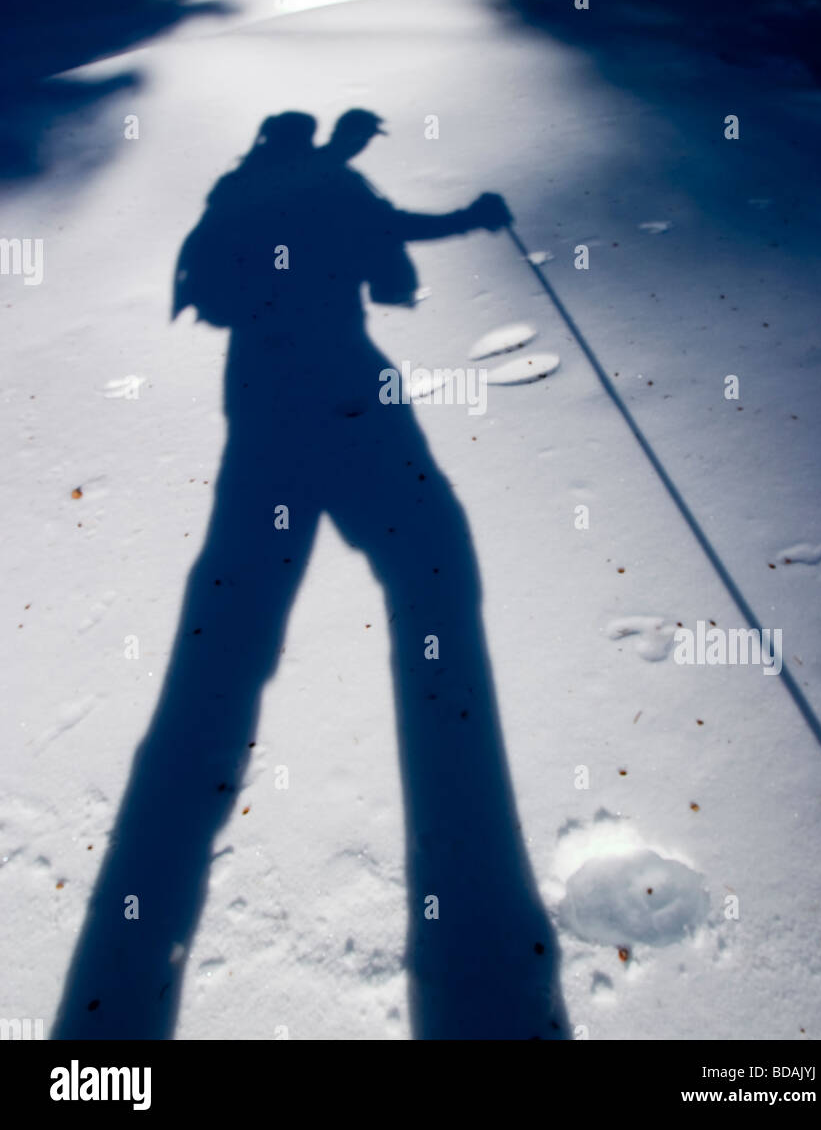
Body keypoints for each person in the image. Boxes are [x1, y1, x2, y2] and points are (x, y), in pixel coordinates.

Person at [53, 111, 567, 1040]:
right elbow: (392, 241)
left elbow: (247, 263)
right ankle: (479, 950)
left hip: (257, 393)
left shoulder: (242, 188)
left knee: (241, 603)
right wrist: (472, 216)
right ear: (311, 142)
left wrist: (347, 165)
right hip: (339, 379)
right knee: (434, 561)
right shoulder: (327, 185)